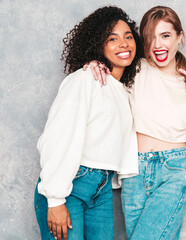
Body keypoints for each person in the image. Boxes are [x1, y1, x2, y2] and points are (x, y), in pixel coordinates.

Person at [85, 5, 186, 240]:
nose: (158, 45)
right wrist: (94, 66)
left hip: (172, 172)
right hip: (133, 173)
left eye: (165, 36)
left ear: (179, 37)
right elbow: (105, 97)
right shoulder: (136, 70)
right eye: (151, 37)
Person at [34, 6, 142, 240]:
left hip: (101, 190)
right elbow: (59, 137)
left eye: (128, 37)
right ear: (98, 44)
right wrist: (55, 199)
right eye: (112, 38)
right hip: (70, 186)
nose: (124, 44)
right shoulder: (85, 79)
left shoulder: (122, 91)